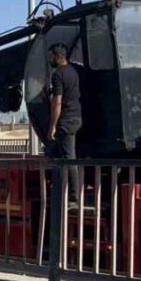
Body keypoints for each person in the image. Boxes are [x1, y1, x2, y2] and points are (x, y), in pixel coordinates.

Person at [47, 43, 82, 209]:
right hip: (77, 117)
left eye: (51, 57)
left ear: (57, 56)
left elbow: (58, 102)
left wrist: (52, 125)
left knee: (68, 157)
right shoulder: (73, 72)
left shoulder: (57, 75)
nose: (50, 60)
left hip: (66, 120)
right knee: (66, 154)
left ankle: (74, 197)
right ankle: (63, 191)